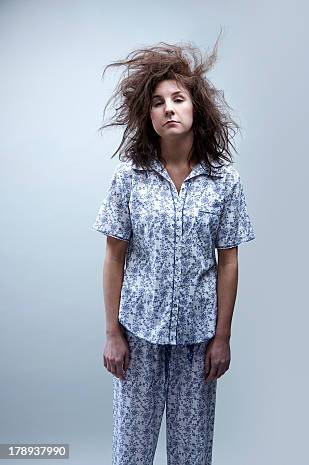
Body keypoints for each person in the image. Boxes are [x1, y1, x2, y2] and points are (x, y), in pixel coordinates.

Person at [92, 37, 256, 465]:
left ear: (195, 108)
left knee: (192, 455)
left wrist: (222, 337)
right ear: (147, 116)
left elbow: (229, 262)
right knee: (131, 453)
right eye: (159, 102)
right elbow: (113, 257)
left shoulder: (225, 182)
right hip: (138, 335)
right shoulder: (129, 177)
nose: (169, 108)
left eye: (178, 99)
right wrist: (112, 333)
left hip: (197, 342)